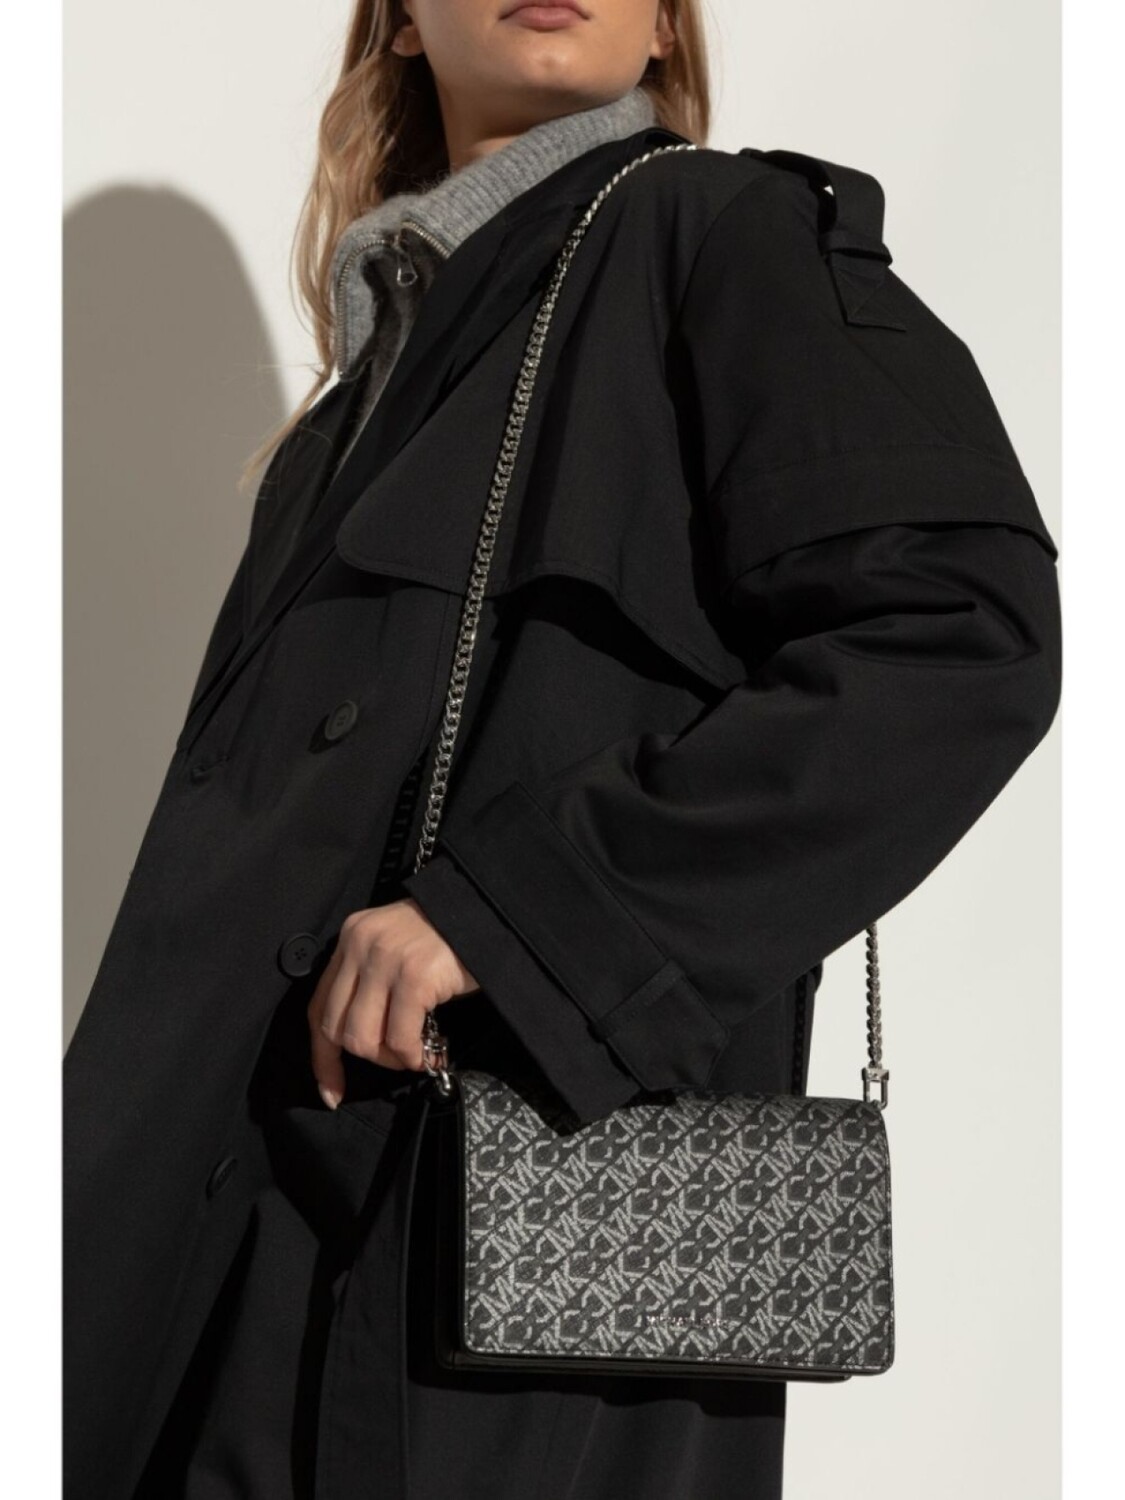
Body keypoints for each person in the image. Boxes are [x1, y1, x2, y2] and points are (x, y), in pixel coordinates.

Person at [63, 2, 1063, 1498]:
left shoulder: (716, 236)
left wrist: (516, 916)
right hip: (237, 1256)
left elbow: (955, 642)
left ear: (662, 23)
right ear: (401, 23)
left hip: (485, 1272)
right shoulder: (349, 414)